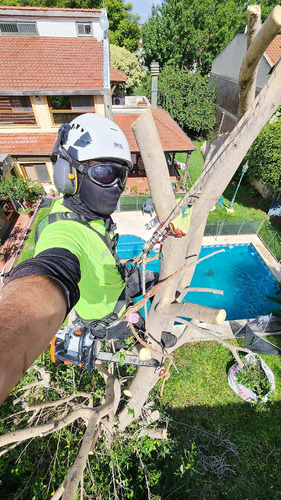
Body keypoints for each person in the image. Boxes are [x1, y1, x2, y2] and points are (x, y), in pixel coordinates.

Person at [0, 113, 157, 404]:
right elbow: (51, 271)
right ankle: (143, 342)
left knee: (153, 280)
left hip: (114, 285)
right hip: (109, 318)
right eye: (104, 173)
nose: (117, 186)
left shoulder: (84, 212)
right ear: (68, 174)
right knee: (147, 330)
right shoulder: (63, 231)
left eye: (121, 174)